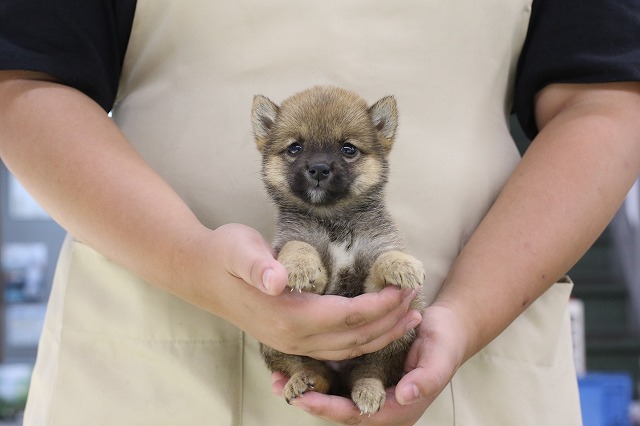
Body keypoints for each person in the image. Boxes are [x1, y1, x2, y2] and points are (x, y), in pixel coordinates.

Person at [1, 0, 639, 424]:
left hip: (468, 364)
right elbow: (23, 79)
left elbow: (605, 100)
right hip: (154, 360)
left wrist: (468, 316)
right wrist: (191, 263)